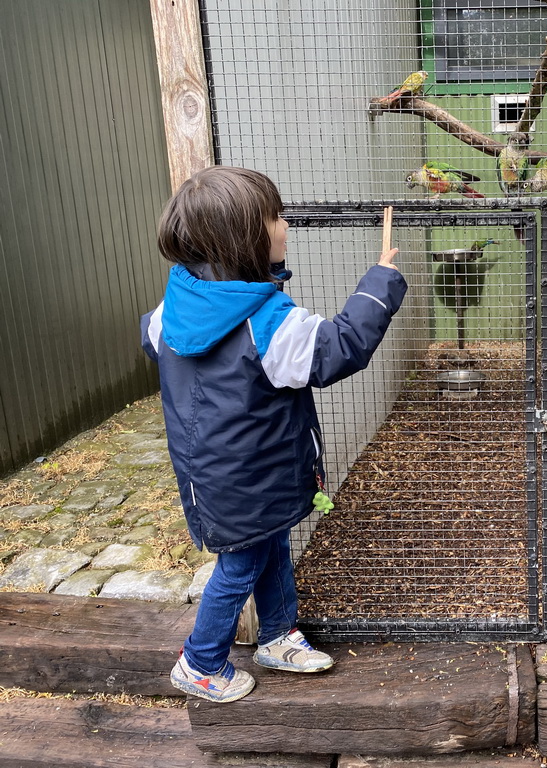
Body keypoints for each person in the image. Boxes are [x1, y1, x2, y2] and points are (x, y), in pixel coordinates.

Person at [141, 166, 406, 702]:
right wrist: (379, 279)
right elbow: (339, 346)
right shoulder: (268, 322)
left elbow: (156, 346)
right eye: (276, 217)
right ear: (249, 237)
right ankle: (199, 662)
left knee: (272, 545)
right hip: (251, 476)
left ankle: (277, 634)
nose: (286, 225)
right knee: (239, 567)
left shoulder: (170, 312)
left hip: (216, 475)